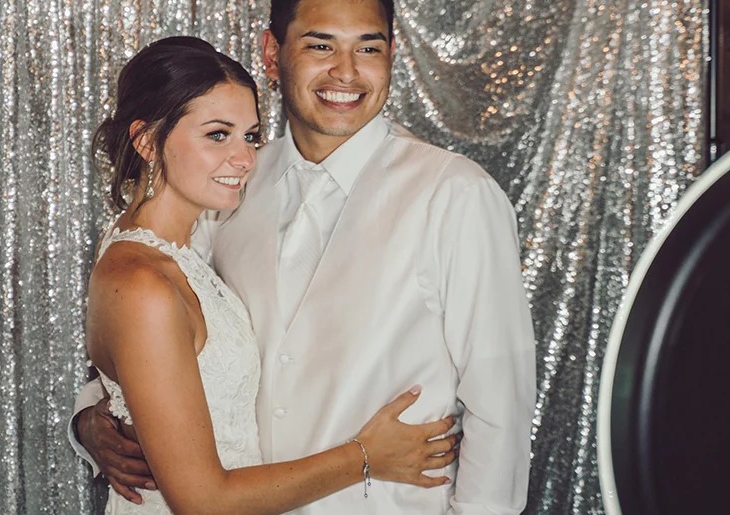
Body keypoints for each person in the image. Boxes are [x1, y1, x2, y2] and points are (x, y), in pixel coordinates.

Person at [73, 0, 537, 514]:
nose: (346, 72)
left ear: (393, 54)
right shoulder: (229, 184)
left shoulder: (455, 194)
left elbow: (500, 401)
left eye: (368, 48)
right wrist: (91, 421)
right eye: (321, 46)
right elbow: (164, 324)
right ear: (273, 54)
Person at [83, 36, 459, 514]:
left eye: (251, 136)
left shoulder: (173, 249)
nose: (244, 159)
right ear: (146, 140)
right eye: (218, 134)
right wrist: (365, 456)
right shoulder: (142, 282)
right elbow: (201, 502)